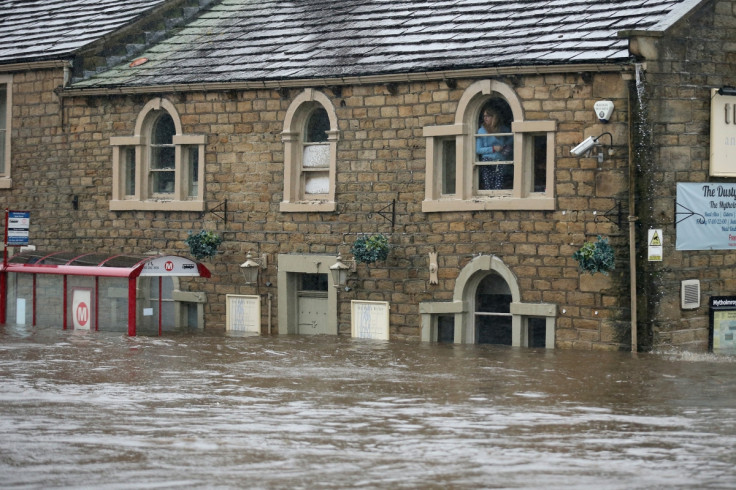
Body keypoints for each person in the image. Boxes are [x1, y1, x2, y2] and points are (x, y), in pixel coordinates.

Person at [476, 107, 513, 189]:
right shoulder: (481, 131)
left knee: (498, 186)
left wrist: (505, 147)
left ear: (494, 117)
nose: (485, 118)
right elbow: (478, 150)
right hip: (487, 161)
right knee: (488, 186)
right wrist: (493, 148)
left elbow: (512, 138)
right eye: (484, 116)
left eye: (488, 116)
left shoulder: (502, 129)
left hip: (500, 160)